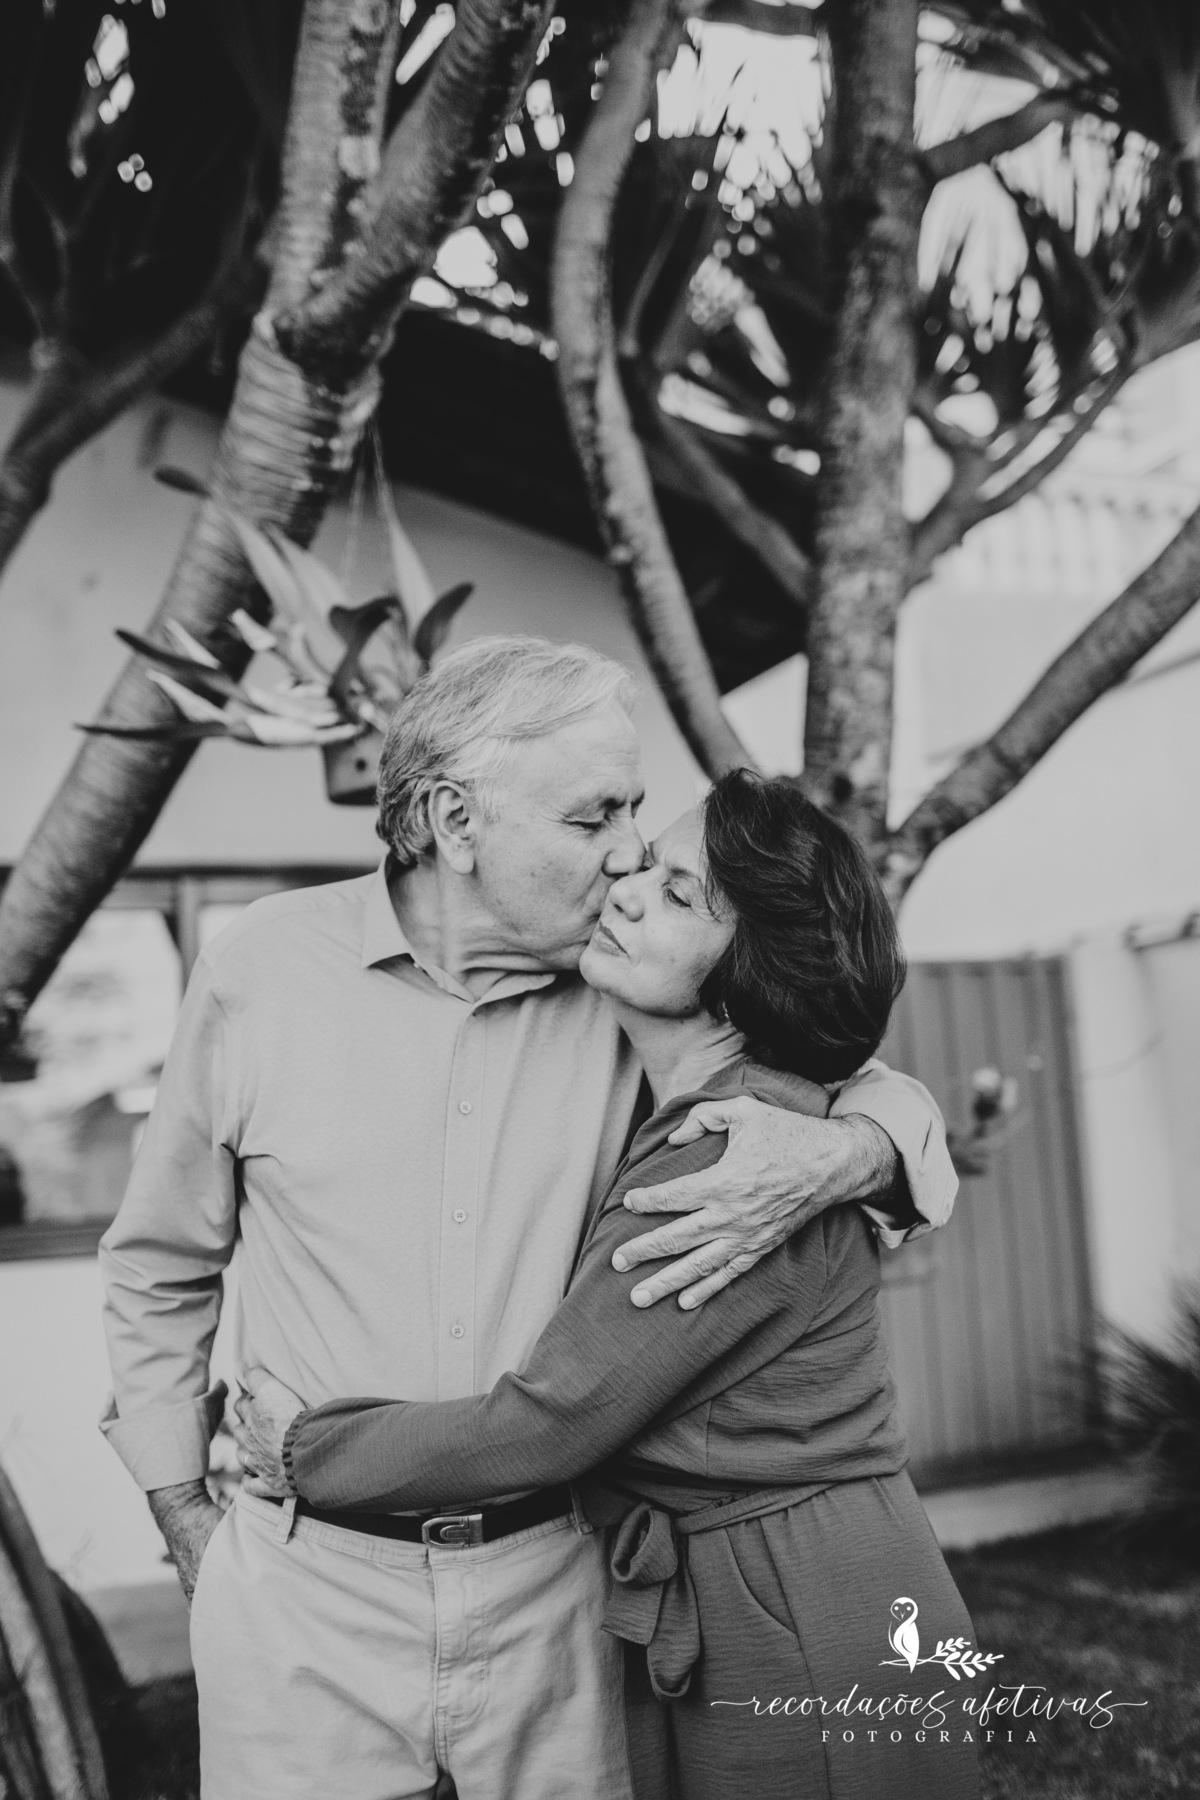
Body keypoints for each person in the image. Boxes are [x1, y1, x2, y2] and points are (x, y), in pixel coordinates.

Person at [100, 637, 957, 1800]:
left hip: (559, 1585)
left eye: (637, 816)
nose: (624, 859)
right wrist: (189, 1527)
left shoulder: (633, 990)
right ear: (456, 821)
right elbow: (161, 1263)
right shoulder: (259, 967)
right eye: (593, 817)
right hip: (307, 1594)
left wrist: (849, 1148)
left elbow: (833, 1061)